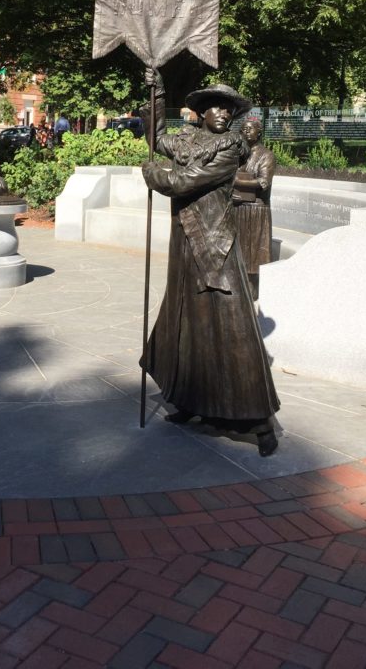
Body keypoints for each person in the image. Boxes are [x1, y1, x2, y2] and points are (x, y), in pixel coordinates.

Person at [140, 68, 280, 456]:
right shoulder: (189, 141)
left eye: (228, 107)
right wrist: (158, 91)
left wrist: (154, 174)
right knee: (186, 318)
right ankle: (190, 396)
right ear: (200, 112)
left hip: (214, 243)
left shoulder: (230, 149)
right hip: (184, 241)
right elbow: (157, 138)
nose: (222, 112)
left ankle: (258, 418)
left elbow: (183, 183)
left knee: (231, 322)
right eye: (214, 106)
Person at [233, 117, 276, 299]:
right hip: (237, 207)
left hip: (256, 211)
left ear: (259, 131)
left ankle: (252, 292)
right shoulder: (239, 154)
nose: (246, 131)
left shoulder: (266, 155)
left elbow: (263, 182)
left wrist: (234, 181)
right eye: (243, 129)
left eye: (250, 128)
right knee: (238, 252)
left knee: (253, 253)